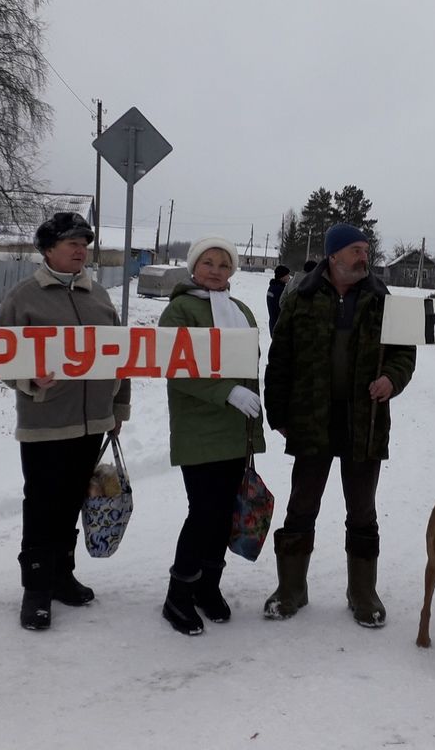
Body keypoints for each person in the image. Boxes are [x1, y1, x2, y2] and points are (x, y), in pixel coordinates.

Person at [263, 224, 416, 628]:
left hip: (363, 421)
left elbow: (404, 353)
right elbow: (280, 360)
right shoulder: (302, 298)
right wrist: (278, 415)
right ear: (333, 256)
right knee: (301, 507)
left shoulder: (384, 301)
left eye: (365, 249)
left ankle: (362, 592)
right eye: (354, 250)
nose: (363, 256)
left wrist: (392, 379)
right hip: (311, 419)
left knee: (362, 511)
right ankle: (291, 589)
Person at [0, 212, 131, 631]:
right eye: (71, 242)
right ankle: (35, 589)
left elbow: (120, 357)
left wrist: (118, 410)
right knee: (42, 506)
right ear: (48, 249)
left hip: (92, 423)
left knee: (72, 502)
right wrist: (28, 378)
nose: (80, 250)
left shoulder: (100, 298)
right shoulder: (24, 297)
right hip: (45, 422)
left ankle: (61, 576)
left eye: (84, 243)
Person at [157, 237, 265, 635]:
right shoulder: (180, 310)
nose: (216, 270)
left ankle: (207, 586)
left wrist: (253, 419)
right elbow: (176, 367)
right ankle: (178, 595)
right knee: (203, 514)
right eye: (208, 262)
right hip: (200, 426)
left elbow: (249, 368)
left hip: (236, 429)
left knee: (224, 515)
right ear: (193, 267)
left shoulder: (240, 310)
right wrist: (226, 392)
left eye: (224, 264)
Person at [266, 264, 291, 336]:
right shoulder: (280, 290)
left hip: (273, 324)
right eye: (287, 275)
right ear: (282, 276)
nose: (289, 277)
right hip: (280, 327)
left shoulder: (271, 288)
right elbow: (283, 309)